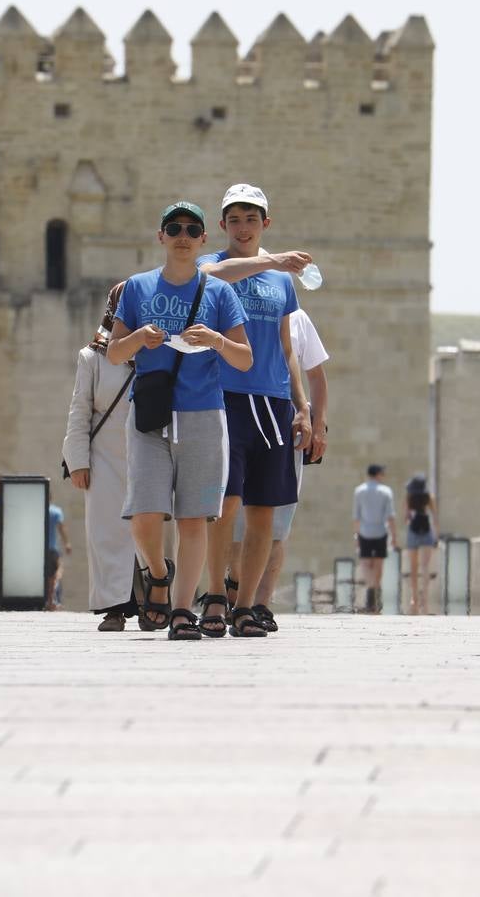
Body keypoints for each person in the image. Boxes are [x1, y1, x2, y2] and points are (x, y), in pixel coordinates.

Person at [107, 201, 252, 641]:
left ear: (204, 239)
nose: (183, 235)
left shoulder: (219, 293)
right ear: (161, 236)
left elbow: (244, 359)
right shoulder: (137, 287)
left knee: (193, 518)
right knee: (144, 514)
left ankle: (182, 610)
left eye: (192, 229)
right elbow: (114, 353)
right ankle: (157, 573)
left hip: (204, 413)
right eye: (175, 228)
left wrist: (214, 339)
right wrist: (137, 337)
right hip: (150, 414)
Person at [196, 184, 314, 638]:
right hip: (223, 397)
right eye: (235, 219)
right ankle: (214, 596)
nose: (243, 227)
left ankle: (245, 603)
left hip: (273, 401)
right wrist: (272, 259)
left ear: (266, 222)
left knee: (263, 509)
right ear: (223, 225)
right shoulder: (211, 266)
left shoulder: (282, 282)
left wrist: (302, 408)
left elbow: (288, 349)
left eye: (252, 219)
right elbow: (216, 276)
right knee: (224, 504)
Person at [227, 306, 330, 628]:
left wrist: (319, 422)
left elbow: (315, 374)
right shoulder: (229, 311)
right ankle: (233, 591)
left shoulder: (296, 318)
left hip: (286, 427)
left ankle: (261, 603)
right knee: (233, 517)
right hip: (238, 421)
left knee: (278, 520)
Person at [63, 282, 142, 631]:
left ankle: (154, 603)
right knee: (107, 533)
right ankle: (114, 609)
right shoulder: (92, 357)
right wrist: (77, 460)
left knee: (151, 531)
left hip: (148, 452)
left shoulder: (159, 352)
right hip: (105, 458)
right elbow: (80, 411)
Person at [353, 464, 398, 613]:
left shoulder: (359, 491)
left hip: (365, 531)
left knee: (366, 563)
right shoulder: (386, 491)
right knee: (378, 564)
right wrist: (394, 537)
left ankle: (370, 590)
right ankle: (376, 592)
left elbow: (357, 515)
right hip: (380, 531)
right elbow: (390, 516)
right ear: (378, 474)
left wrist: (356, 535)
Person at [404, 474, 439, 615]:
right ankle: (425, 599)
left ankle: (414, 598)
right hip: (426, 533)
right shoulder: (429, 497)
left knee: (413, 567)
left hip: (413, 532)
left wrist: (411, 520)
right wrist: (436, 537)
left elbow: (406, 517)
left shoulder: (409, 497)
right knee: (425, 566)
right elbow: (435, 518)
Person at [45, 503, 71, 611]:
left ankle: (49, 601)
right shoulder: (56, 511)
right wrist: (67, 543)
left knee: (47, 576)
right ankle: (53, 601)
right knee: (56, 572)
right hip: (52, 548)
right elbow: (61, 527)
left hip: (39, 549)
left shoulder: (37, 510)